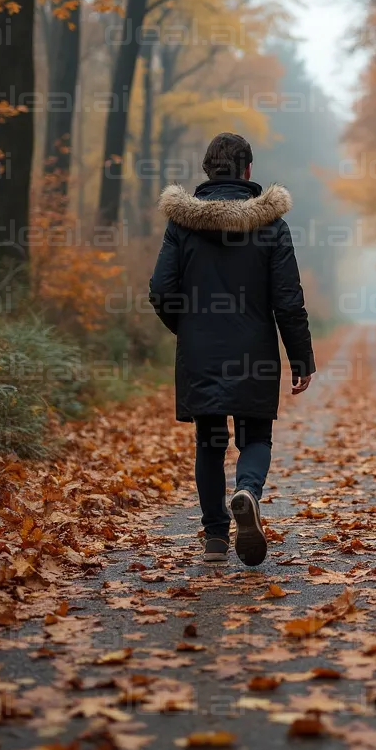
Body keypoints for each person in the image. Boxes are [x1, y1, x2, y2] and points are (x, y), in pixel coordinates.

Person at [149, 132, 315, 566]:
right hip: (255, 351)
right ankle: (247, 491)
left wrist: (188, 330)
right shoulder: (270, 225)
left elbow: (160, 290)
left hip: (200, 352)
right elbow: (288, 299)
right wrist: (301, 358)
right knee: (255, 435)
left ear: (208, 171)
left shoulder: (181, 225)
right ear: (248, 172)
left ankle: (216, 540)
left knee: (209, 441)